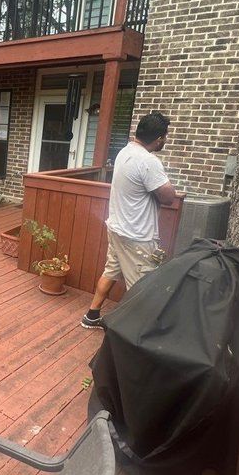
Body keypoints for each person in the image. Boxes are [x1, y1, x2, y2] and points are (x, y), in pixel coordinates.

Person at [81, 111, 176, 329]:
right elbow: (169, 197)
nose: (165, 141)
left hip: (117, 228)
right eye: (165, 137)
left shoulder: (124, 151)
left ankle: (92, 315)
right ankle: (130, 335)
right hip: (137, 236)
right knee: (142, 287)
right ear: (159, 138)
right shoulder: (148, 161)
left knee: (111, 270)